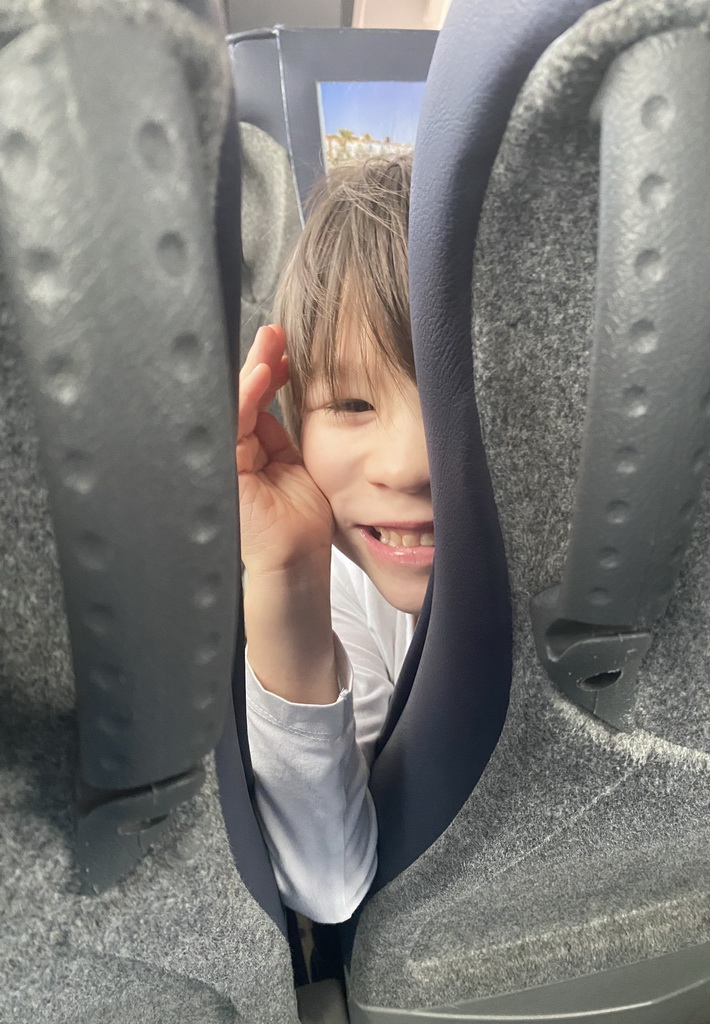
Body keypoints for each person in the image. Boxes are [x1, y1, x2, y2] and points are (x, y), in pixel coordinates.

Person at [237, 155, 432, 924]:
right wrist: (286, 577)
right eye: (351, 402)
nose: (408, 465)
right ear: (292, 419)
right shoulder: (345, 588)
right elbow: (331, 885)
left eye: (462, 392)